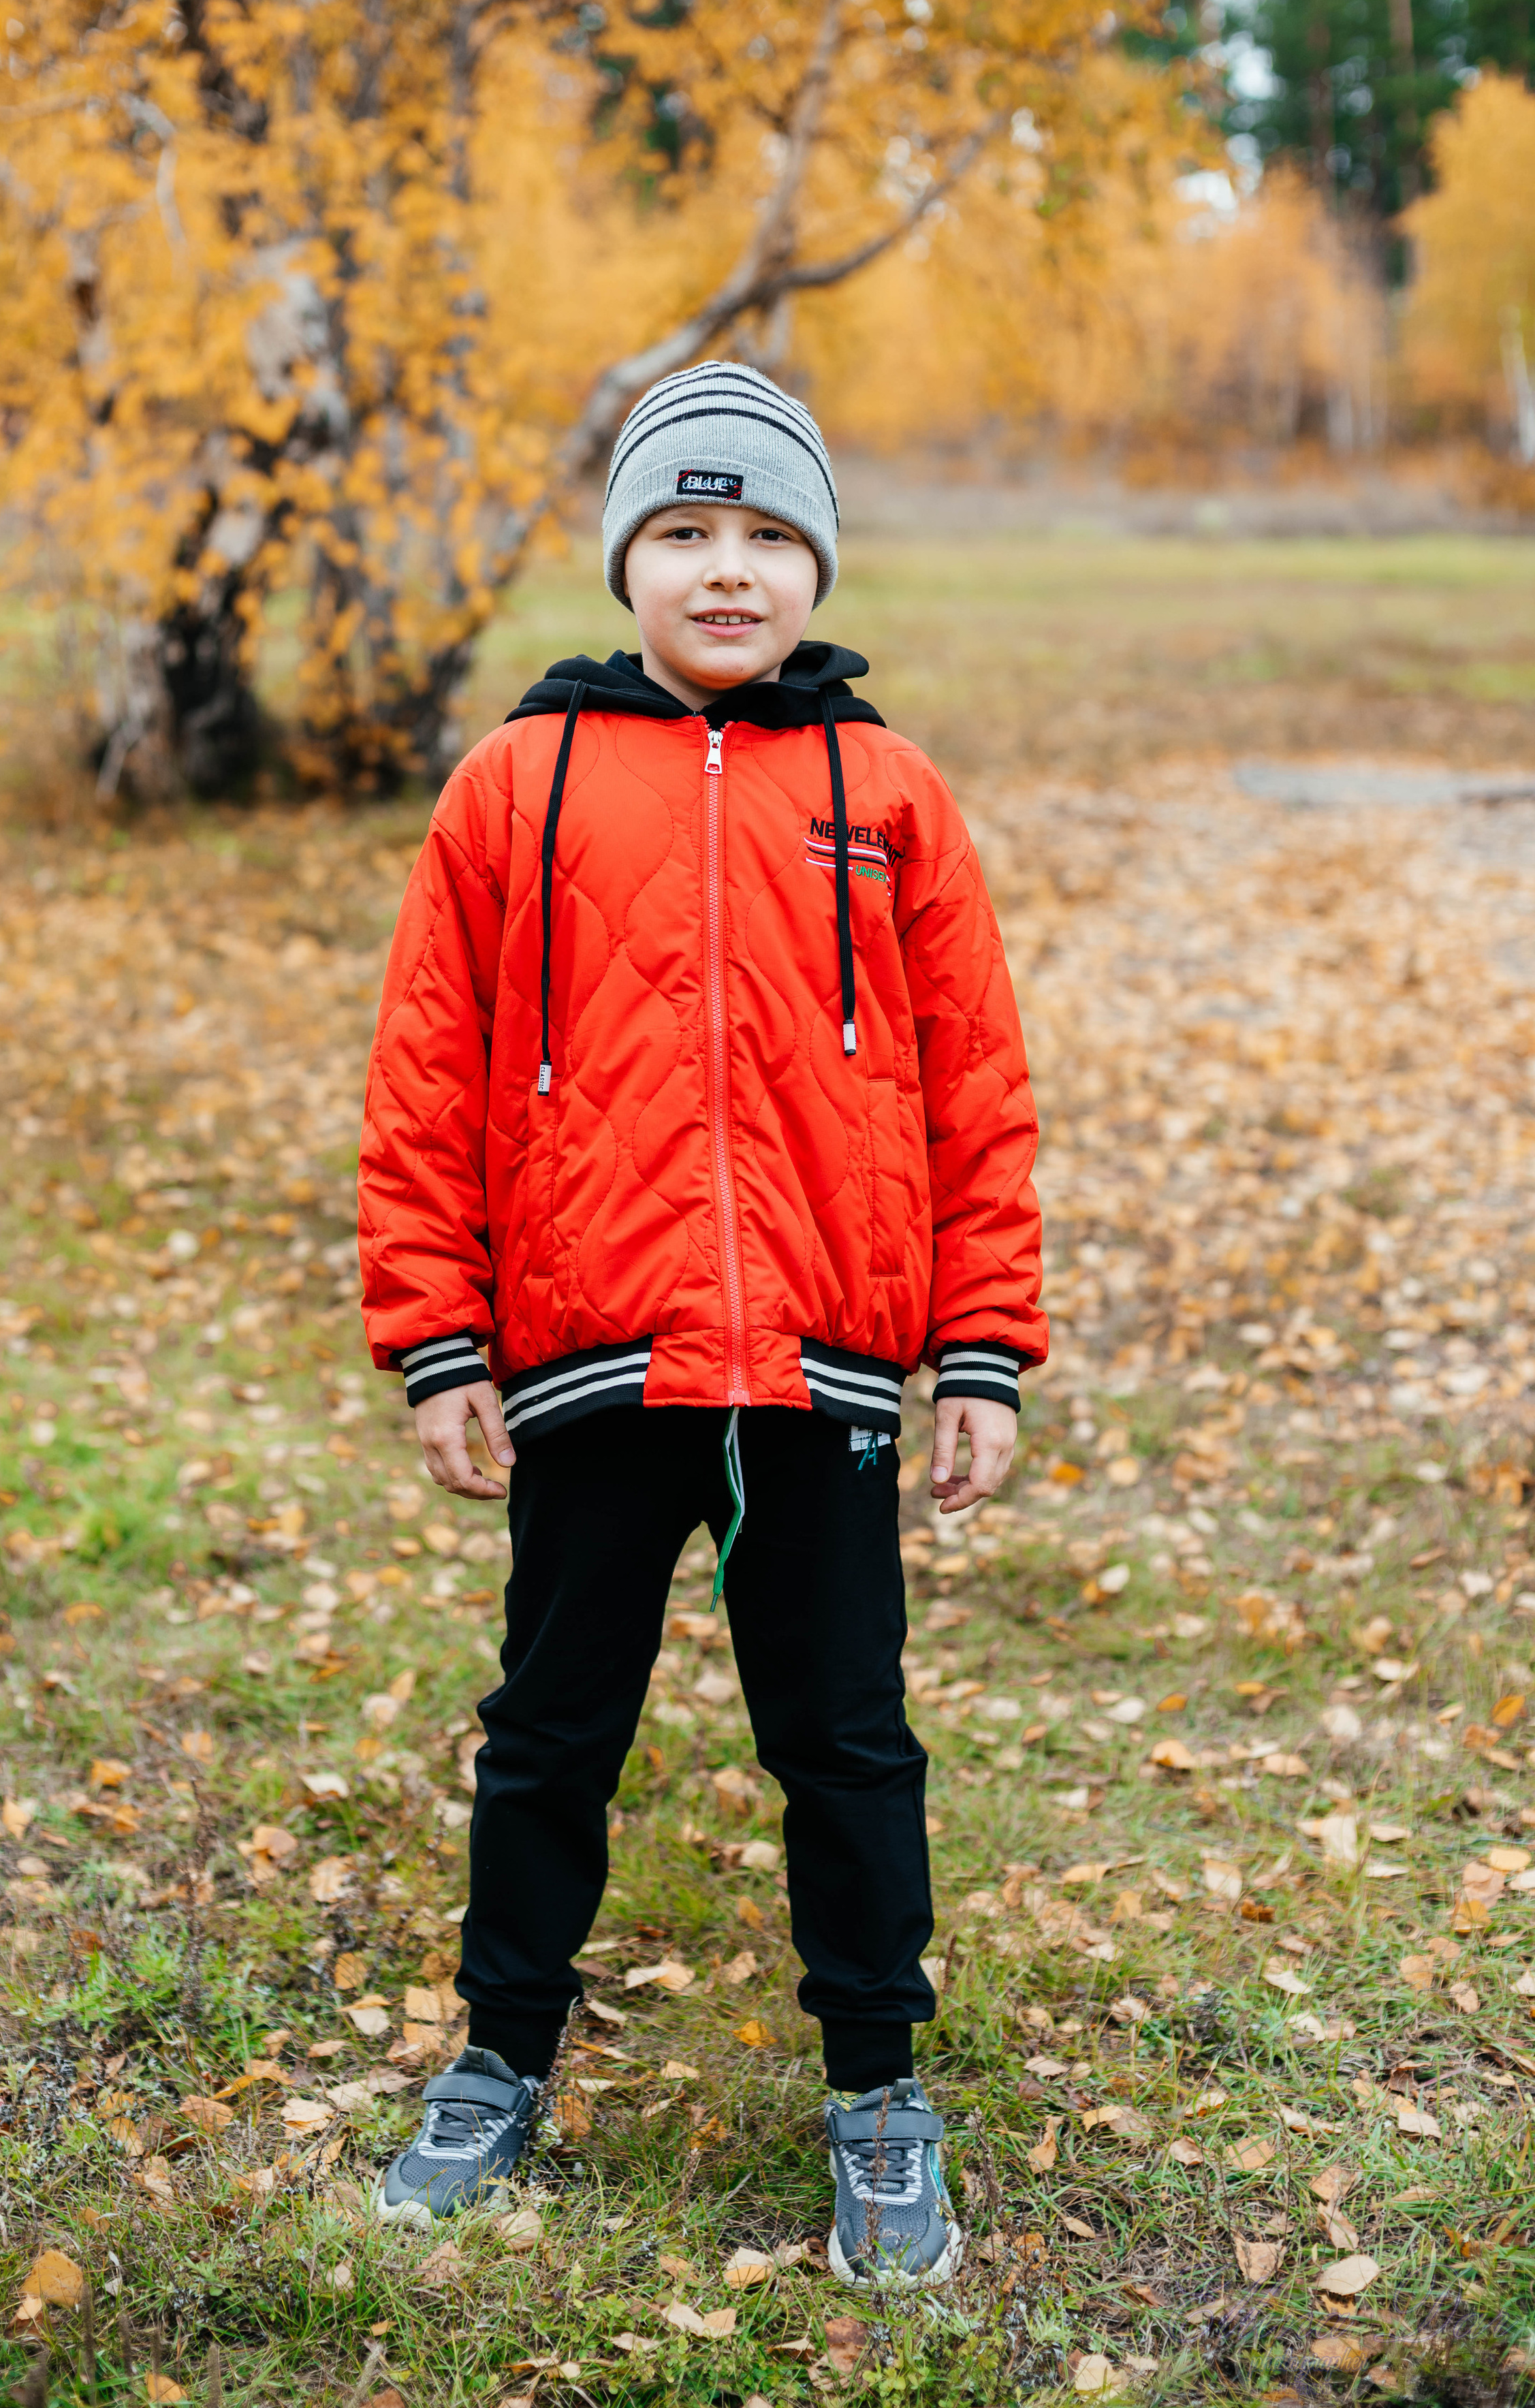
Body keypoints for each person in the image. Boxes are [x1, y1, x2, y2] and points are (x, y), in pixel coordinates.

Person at [358, 360, 1045, 2282]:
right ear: (627, 562)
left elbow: (975, 1086)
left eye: (764, 536)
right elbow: (426, 1076)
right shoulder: (518, 782)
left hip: (825, 1364)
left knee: (845, 1736)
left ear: (813, 562)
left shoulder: (890, 795)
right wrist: (439, 1335)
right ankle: (499, 2053)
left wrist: (977, 1344)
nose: (726, 571)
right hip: (590, 1358)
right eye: (685, 532)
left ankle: (881, 2091)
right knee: (551, 1728)